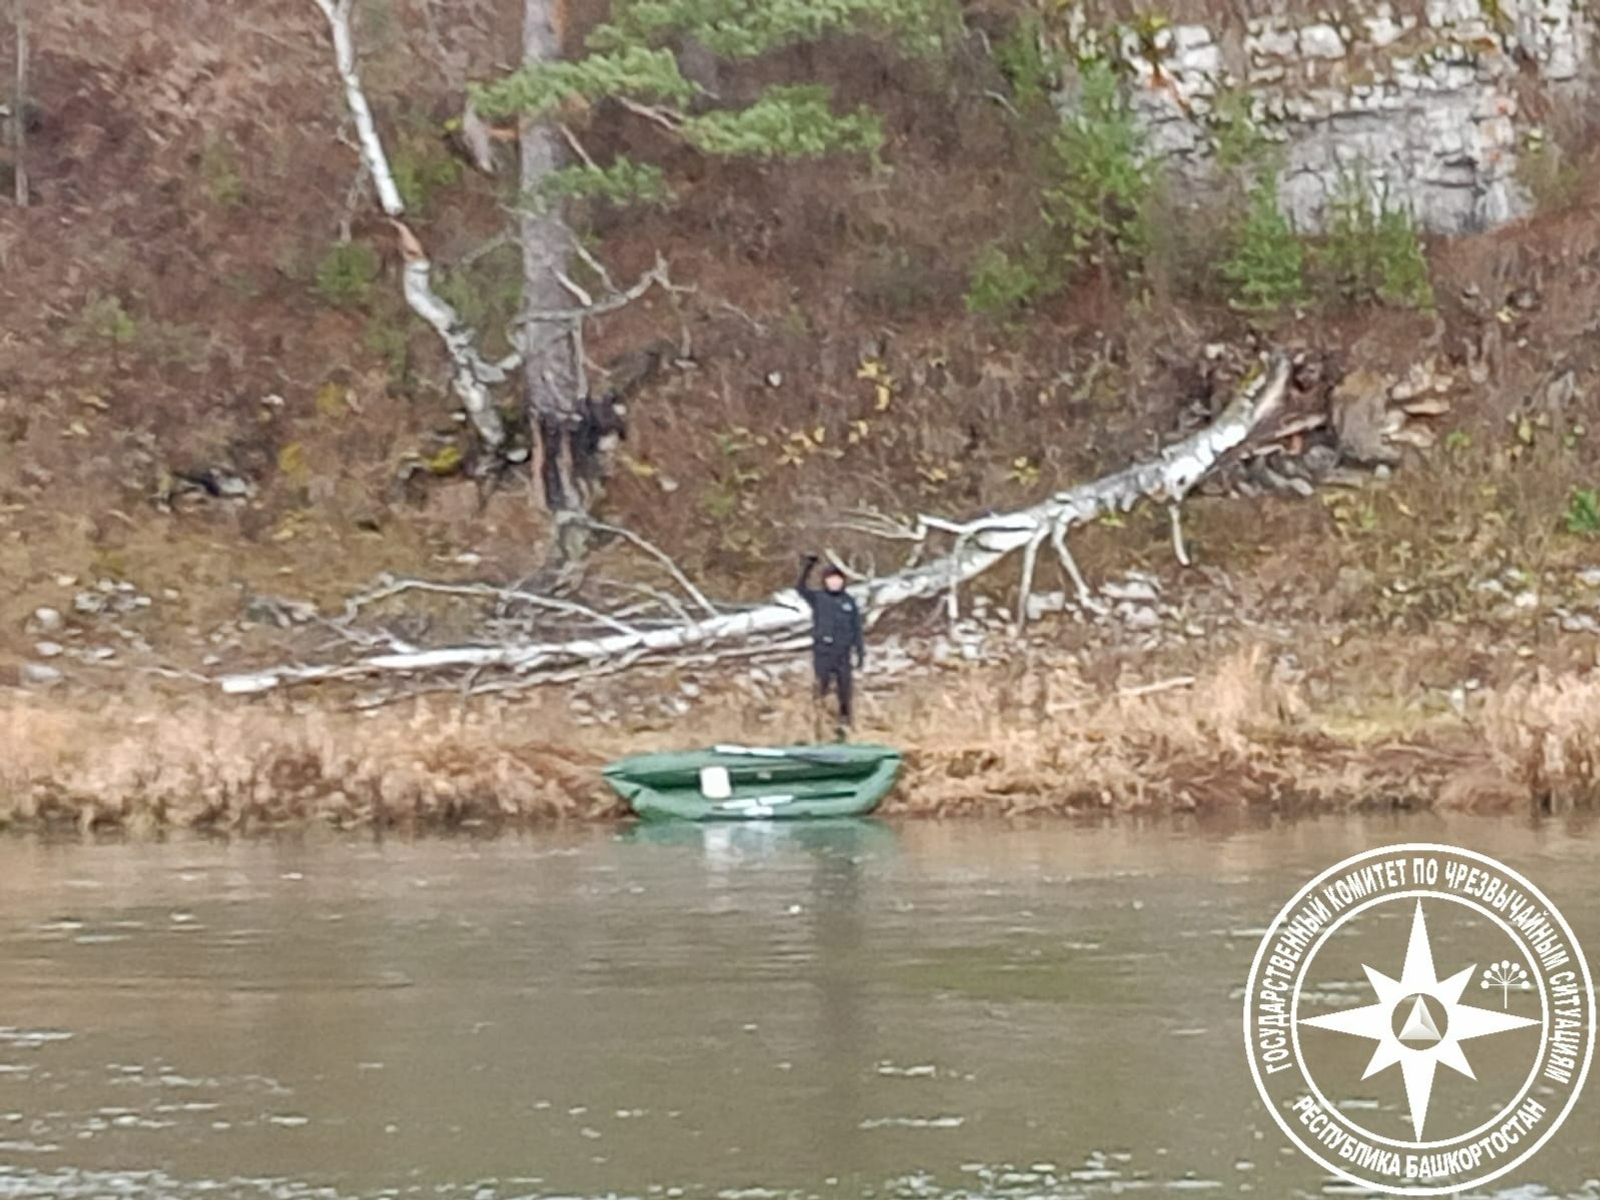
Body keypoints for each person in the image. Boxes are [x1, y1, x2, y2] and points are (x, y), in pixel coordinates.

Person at [796, 554, 865, 738]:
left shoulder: (849, 602)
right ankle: (818, 727)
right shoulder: (818, 598)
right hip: (824, 653)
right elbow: (800, 588)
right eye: (831, 580)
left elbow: (856, 628)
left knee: (845, 692)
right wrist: (808, 567)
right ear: (825, 582)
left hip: (843, 654)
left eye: (838, 580)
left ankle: (845, 728)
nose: (835, 583)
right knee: (821, 689)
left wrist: (860, 652)